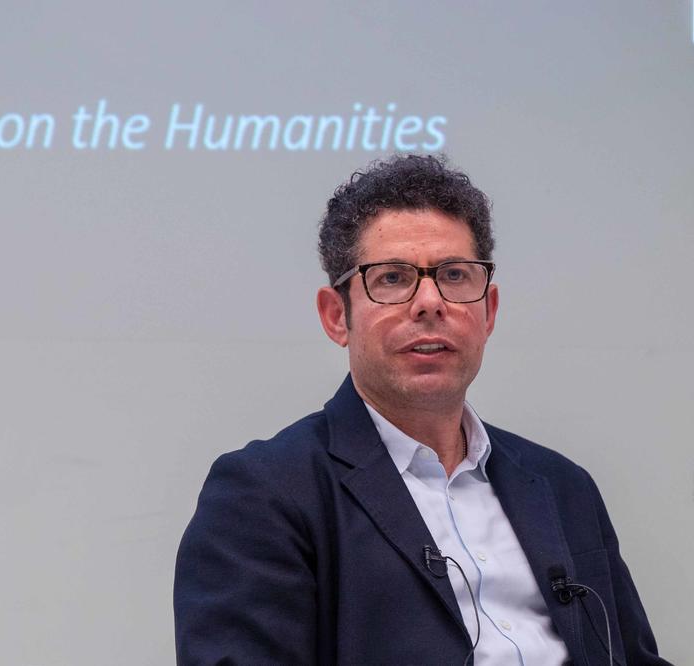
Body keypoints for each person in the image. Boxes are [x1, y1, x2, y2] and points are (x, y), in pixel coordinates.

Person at [173, 155, 668, 664]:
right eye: (392, 278)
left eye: (454, 275)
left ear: (489, 311)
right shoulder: (265, 494)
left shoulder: (563, 487)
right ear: (336, 316)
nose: (430, 302)